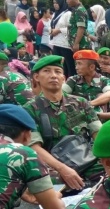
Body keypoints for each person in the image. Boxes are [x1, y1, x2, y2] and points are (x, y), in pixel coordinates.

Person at [23, 55, 104, 190]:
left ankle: (85, 187)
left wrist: (106, 158)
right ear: (36, 77)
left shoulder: (81, 103)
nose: (53, 75)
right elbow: (34, 147)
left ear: (64, 78)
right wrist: (64, 169)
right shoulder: (29, 109)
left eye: (58, 72)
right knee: (42, 182)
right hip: (53, 164)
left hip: (85, 157)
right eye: (47, 71)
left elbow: (98, 133)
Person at [62, 50, 110, 119]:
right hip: (78, 118)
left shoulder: (104, 80)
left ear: (92, 67)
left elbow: (109, 95)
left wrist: (88, 104)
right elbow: (61, 94)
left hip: (100, 119)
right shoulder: (73, 80)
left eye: (79, 64)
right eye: (76, 64)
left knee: (101, 96)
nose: (76, 67)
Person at [50, 0, 73, 77]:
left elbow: (71, 29)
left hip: (65, 44)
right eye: (54, 3)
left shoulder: (68, 14)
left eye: (57, 3)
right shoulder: (54, 14)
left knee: (69, 67)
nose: (55, 5)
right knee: (59, 66)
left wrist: (59, 30)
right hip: (56, 43)